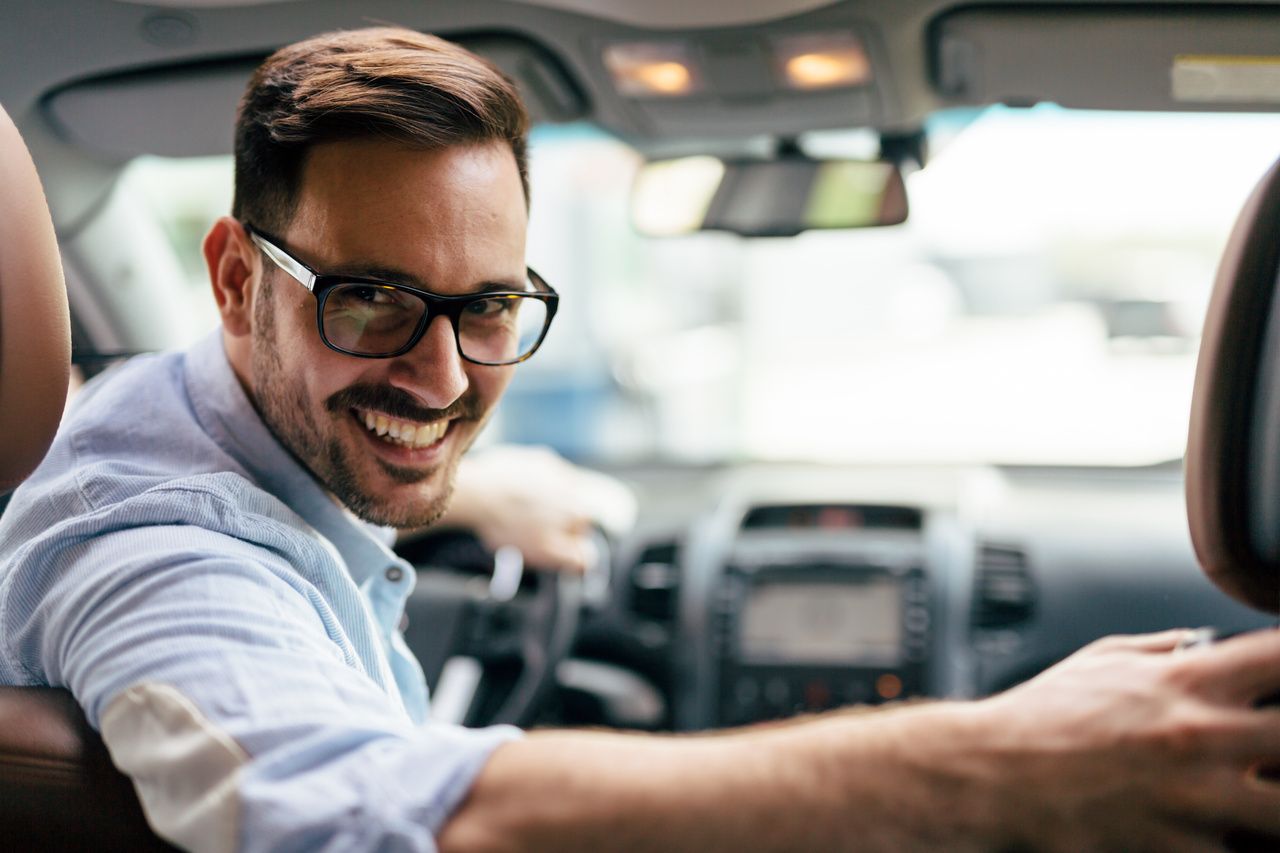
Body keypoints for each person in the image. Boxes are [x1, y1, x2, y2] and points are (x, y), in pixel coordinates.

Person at [0, 26, 1277, 853]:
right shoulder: (149, 551)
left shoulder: (158, 422)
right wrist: (1003, 765)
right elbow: (370, 814)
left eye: (488, 306)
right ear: (236, 280)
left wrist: (468, 491)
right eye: (372, 300)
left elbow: (264, 434)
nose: (441, 376)